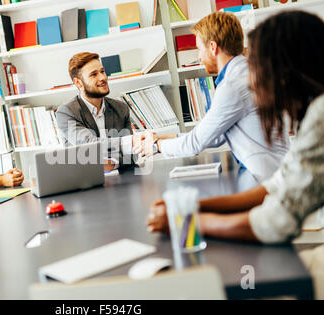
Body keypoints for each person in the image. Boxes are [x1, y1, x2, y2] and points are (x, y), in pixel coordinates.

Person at [146, 11, 324, 244]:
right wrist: (193, 207)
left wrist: (186, 221)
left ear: (288, 67)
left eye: (260, 64)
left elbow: (276, 222)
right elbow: (276, 185)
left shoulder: (319, 115)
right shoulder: (313, 112)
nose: (254, 78)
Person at [135, 11, 289, 182]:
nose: (199, 57)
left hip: (268, 179)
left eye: (199, 49)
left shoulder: (232, 86)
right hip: (273, 172)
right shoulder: (246, 73)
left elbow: (196, 143)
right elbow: (213, 136)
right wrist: (160, 137)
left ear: (213, 47)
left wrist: (156, 147)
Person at [56, 52, 145, 171]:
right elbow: (89, 145)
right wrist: (132, 141)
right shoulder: (66, 113)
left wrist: (112, 164)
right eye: (94, 74)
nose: (102, 78)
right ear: (78, 83)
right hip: (85, 183)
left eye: (102, 71)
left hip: (122, 180)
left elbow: (132, 154)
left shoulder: (121, 108)